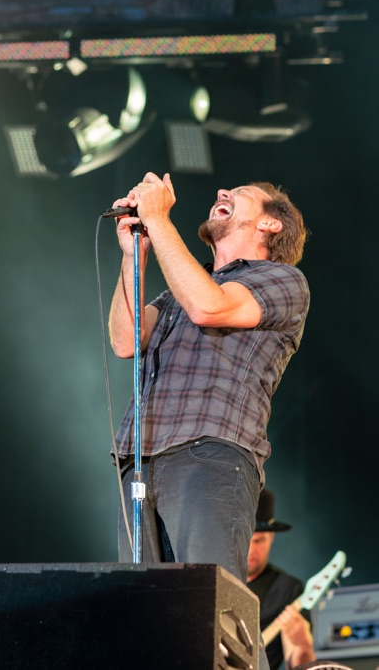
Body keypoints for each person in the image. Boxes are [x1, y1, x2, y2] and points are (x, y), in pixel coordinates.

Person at [109, 171, 309, 586]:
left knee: (207, 603)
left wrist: (158, 220)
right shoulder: (177, 295)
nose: (221, 192)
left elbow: (209, 307)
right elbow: (125, 340)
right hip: (140, 461)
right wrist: (135, 256)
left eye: (240, 193)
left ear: (270, 222)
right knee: (141, 609)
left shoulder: (282, 280)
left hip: (210, 456)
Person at [248, 488, 316, 670]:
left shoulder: (287, 589)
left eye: (259, 541)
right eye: (246, 540)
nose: (251, 550)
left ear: (271, 537)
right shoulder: (214, 581)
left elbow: (300, 663)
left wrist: (303, 645)